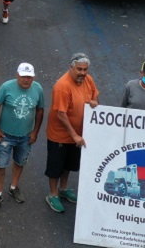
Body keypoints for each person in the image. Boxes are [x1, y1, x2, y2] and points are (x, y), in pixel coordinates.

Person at [44, 53, 99, 213]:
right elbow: (61, 114)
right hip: (60, 136)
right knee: (55, 166)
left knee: (69, 165)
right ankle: (53, 194)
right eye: (79, 69)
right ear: (71, 67)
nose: (82, 73)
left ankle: (64, 188)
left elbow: (95, 97)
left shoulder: (88, 80)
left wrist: (95, 103)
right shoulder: (63, 86)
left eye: (85, 69)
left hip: (79, 135)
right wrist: (74, 135)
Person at [0, 62, 45, 210]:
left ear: (34, 77)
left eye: (29, 77)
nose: (26, 80)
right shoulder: (6, 87)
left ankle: (14, 187)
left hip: (26, 136)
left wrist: (35, 132)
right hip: (6, 135)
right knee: (0, 165)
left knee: (20, 162)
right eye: (23, 76)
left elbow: (40, 110)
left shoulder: (38, 89)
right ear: (17, 75)